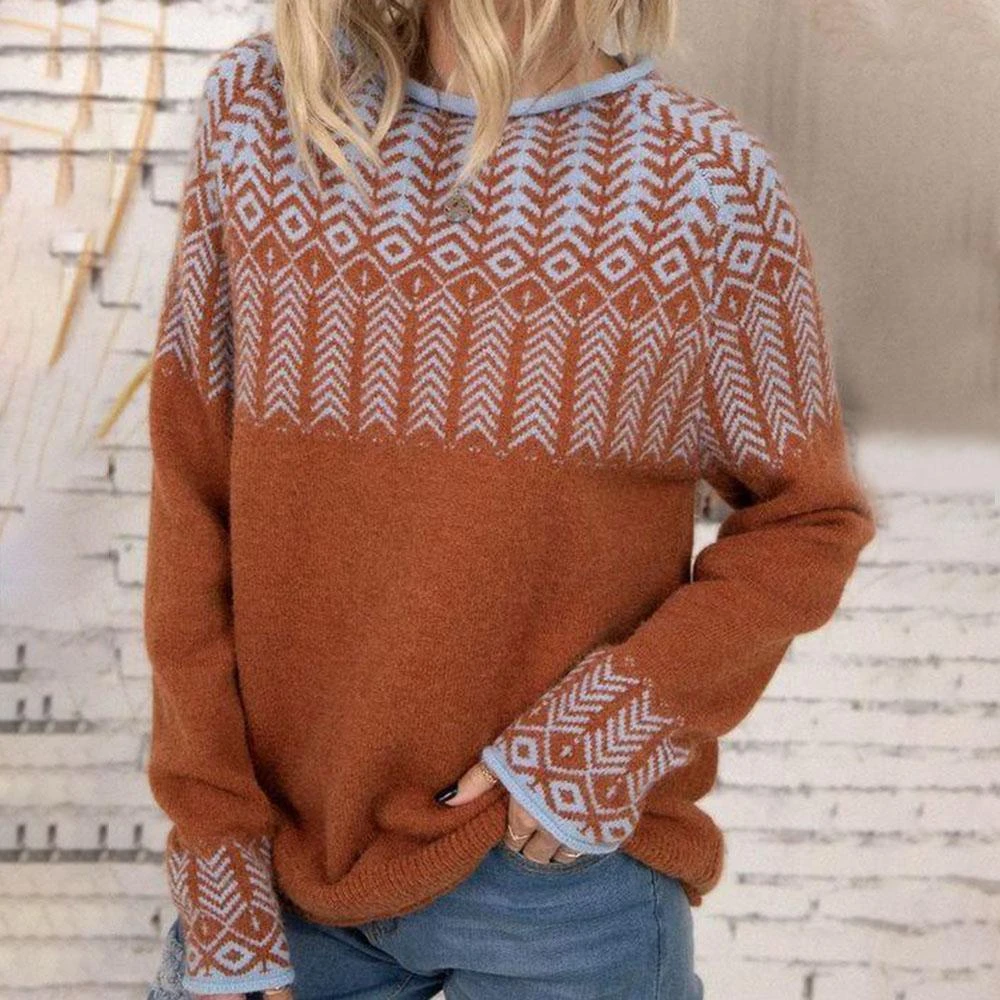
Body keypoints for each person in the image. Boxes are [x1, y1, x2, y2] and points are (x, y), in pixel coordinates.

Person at [143, 1, 877, 998]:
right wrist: (218, 866)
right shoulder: (270, 116)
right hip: (285, 872)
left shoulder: (704, 181)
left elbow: (809, 520)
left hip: (558, 882)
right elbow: (192, 506)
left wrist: (598, 739)